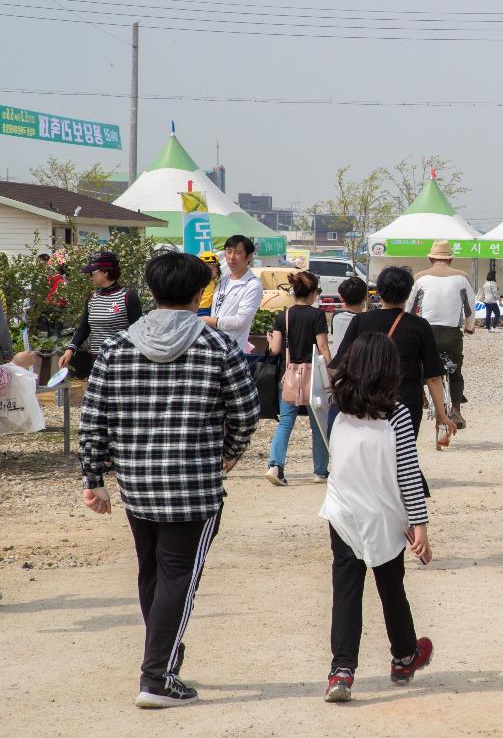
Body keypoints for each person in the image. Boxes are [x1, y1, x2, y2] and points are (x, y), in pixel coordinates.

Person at [79, 251, 259, 708]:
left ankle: (165, 659)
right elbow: (246, 413)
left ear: (151, 291)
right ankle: (156, 676)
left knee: (152, 573)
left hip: (137, 485)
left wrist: (94, 477)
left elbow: (93, 417)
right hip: (194, 485)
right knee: (178, 576)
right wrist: (229, 454)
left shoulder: (117, 348)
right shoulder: (216, 348)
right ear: (200, 294)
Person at [319, 332, 434, 703]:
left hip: (342, 512)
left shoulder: (339, 409)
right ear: (389, 370)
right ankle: (404, 657)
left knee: (347, 591)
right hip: (383, 514)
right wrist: (420, 525)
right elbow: (407, 473)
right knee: (391, 586)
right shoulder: (397, 414)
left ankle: (341, 672)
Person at [334, 267, 456, 441]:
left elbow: (339, 365)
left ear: (379, 292)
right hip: (405, 404)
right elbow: (433, 377)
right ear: (408, 294)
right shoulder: (419, 326)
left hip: (365, 402)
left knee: (370, 456)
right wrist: (441, 414)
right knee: (402, 458)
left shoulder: (360, 321)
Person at [266, 271, 332, 486]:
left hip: (289, 376)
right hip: (313, 377)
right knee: (318, 425)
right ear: (312, 293)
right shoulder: (317, 316)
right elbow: (322, 347)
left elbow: (275, 349)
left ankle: (275, 466)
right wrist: (332, 372)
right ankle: (320, 471)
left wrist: (269, 340)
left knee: (285, 422)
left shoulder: (282, 317)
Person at [408, 240, 475, 429]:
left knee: (418, 366)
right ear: (451, 259)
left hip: (425, 333)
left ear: (430, 258)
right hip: (451, 335)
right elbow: (470, 307)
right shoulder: (462, 277)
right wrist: (469, 327)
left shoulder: (420, 278)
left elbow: (410, 308)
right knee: (456, 372)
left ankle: (421, 395)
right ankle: (455, 409)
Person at [60, 250, 143, 375]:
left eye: (93, 273)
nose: (90, 277)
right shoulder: (92, 298)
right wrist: (70, 350)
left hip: (121, 360)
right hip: (97, 359)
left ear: (105, 272)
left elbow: (137, 331)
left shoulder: (128, 297)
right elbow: (84, 328)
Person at [205, 235, 265, 362]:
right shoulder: (222, 280)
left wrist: (206, 320)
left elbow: (240, 321)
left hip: (232, 352)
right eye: (229, 251)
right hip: (212, 349)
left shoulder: (252, 284)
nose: (232, 257)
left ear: (249, 257)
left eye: (238, 253)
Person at [330, 276, 368, 355]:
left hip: (338, 364)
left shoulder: (336, 317)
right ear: (365, 297)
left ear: (341, 298)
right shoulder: (368, 320)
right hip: (359, 365)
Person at [196, 251, 220, 317]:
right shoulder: (198, 281)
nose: (208, 272)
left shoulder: (216, 281)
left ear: (217, 270)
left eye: (212, 269)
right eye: (206, 269)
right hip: (200, 308)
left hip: (212, 308)